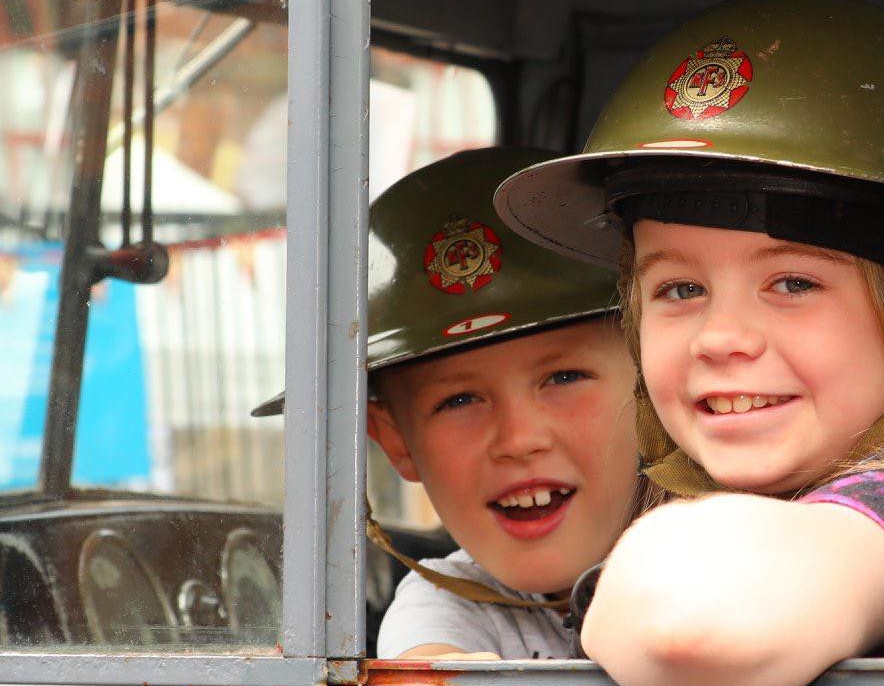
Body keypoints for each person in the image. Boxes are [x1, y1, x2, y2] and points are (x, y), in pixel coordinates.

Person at [494, 0, 884, 686]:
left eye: (793, 283)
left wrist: (609, 594)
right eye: (679, 289)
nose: (721, 337)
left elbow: (695, 628)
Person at [258, 146, 641, 659]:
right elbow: (432, 676)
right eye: (459, 400)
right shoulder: (444, 606)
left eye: (564, 376)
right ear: (395, 439)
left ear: (655, 389)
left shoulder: (733, 545)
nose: (519, 439)